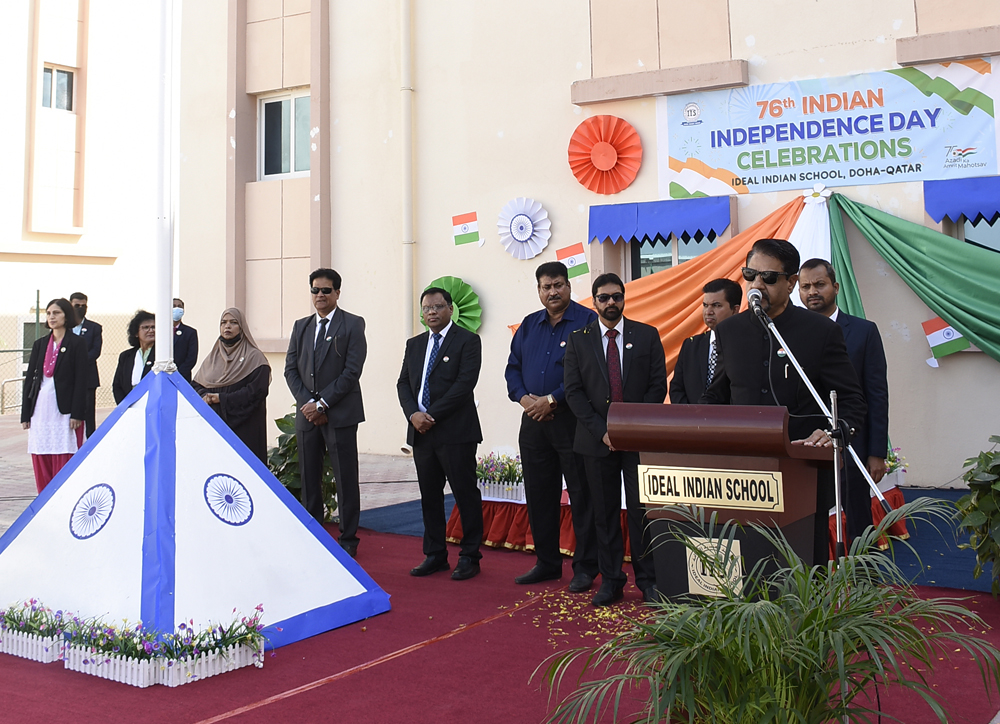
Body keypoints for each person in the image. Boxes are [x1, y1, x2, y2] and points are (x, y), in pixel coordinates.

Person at [699, 239, 866, 564]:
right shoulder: (729, 330)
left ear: (790, 283)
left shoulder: (819, 330)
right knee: (747, 562)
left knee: (803, 567)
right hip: (743, 471)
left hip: (801, 468)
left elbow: (850, 400)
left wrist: (835, 432)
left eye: (769, 278)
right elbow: (716, 393)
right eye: (750, 275)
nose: (757, 285)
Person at [564, 273, 667, 607]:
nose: (611, 302)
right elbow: (574, 393)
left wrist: (631, 427)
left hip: (637, 441)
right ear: (593, 301)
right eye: (604, 297)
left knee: (641, 512)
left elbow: (657, 386)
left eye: (616, 296)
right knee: (603, 513)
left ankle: (648, 580)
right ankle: (611, 580)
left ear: (624, 298)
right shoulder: (578, 340)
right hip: (596, 441)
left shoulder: (647, 335)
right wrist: (603, 430)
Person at [505, 261, 599, 591]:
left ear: (569, 286)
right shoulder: (529, 325)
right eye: (546, 286)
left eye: (558, 284)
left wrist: (552, 400)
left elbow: (589, 374)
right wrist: (525, 400)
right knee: (539, 495)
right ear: (539, 290)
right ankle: (546, 562)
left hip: (573, 422)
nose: (552, 291)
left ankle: (586, 567)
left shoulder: (587, 322)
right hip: (533, 422)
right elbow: (512, 369)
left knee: (581, 496)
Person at [397, 287, 484, 581]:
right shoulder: (414, 344)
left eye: (437, 306)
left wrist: (430, 415)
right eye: (426, 308)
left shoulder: (468, 341)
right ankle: (435, 554)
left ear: (450, 309)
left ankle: (470, 556)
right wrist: (413, 415)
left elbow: (464, 384)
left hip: (456, 432)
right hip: (421, 433)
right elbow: (403, 385)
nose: (431, 312)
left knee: (464, 494)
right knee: (429, 496)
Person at [799, 258, 888, 540]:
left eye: (819, 284)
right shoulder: (789, 333)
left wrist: (876, 452)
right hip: (807, 444)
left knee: (858, 520)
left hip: (853, 444)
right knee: (809, 520)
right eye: (805, 286)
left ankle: (865, 580)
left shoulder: (864, 331)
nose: (812, 291)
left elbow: (876, 394)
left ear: (835, 287)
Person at [284, 269, 366, 557]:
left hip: (339, 414)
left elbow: (351, 372)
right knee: (309, 476)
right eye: (315, 290)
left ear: (337, 293)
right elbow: (290, 369)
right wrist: (309, 404)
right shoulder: (301, 326)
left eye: (326, 290)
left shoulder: (353, 324)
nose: (320, 295)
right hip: (308, 416)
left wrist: (322, 404)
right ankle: (314, 533)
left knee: (345, 477)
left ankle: (348, 538)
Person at [21, 298, 88, 493]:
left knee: (64, 452)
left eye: (56, 313)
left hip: (64, 410)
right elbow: (30, 381)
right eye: (49, 313)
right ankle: (44, 499)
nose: (52, 317)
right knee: (42, 452)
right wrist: (26, 414)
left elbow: (81, 380)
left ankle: (64, 497)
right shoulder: (40, 344)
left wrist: (77, 413)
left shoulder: (77, 343)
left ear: (66, 315)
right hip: (41, 408)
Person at [192, 308, 271, 463]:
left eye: (233, 323)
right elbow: (195, 385)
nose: (227, 326)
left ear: (242, 327)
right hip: (215, 427)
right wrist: (205, 396)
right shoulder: (212, 358)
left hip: (246, 428)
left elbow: (256, 392)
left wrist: (221, 398)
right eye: (223, 323)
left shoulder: (255, 358)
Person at [669, 278, 742, 404]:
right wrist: (691, 416)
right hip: (692, 420)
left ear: (735, 310)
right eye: (705, 305)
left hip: (730, 420)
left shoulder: (744, 345)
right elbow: (676, 389)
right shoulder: (691, 346)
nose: (708, 312)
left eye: (716, 305)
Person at [69, 292, 102, 438]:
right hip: (67, 377)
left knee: (88, 412)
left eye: (83, 306)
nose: (80, 308)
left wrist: (77, 362)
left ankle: (90, 441)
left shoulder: (94, 328)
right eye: (77, 305)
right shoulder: (63, 327)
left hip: (88, 377)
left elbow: (95, 351)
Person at [112, 311, 156, 404]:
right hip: (130, 406)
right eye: (146, 327)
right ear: (136, 333)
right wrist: (124, 406)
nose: (151, 330)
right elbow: (117, 385)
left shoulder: (162, 355)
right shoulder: (126, 356)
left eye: (153, 327)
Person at [172, 298, 199, 382]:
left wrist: (177, 374)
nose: (176, 308)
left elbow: (191, 358)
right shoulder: (161, 332)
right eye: (173, 306)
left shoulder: (190, 332)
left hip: (182, 377)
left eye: (179, 306)